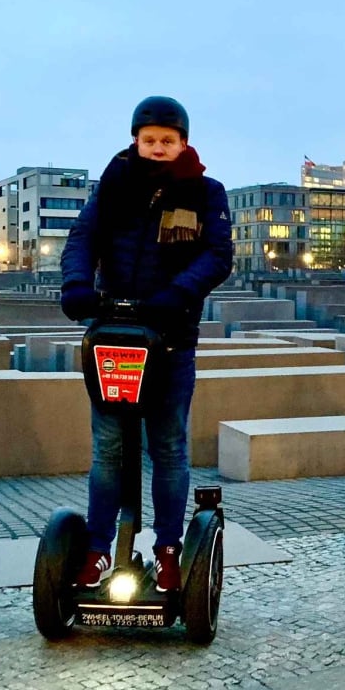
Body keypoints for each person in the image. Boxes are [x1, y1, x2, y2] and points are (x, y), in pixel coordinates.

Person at [60, 96, 234, 591]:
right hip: (115, 336)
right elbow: (82, 239)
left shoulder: (205, 191)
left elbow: (218, 256)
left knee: (169, 447)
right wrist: (76, 285)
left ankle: (168, 547)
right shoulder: (113, 185)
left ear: (183, 142)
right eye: (150, 140)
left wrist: (175, 295)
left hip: (172, 337)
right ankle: (97, 548)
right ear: (136, 139)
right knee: (109, 449)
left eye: (168, 141)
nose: (158, 148)